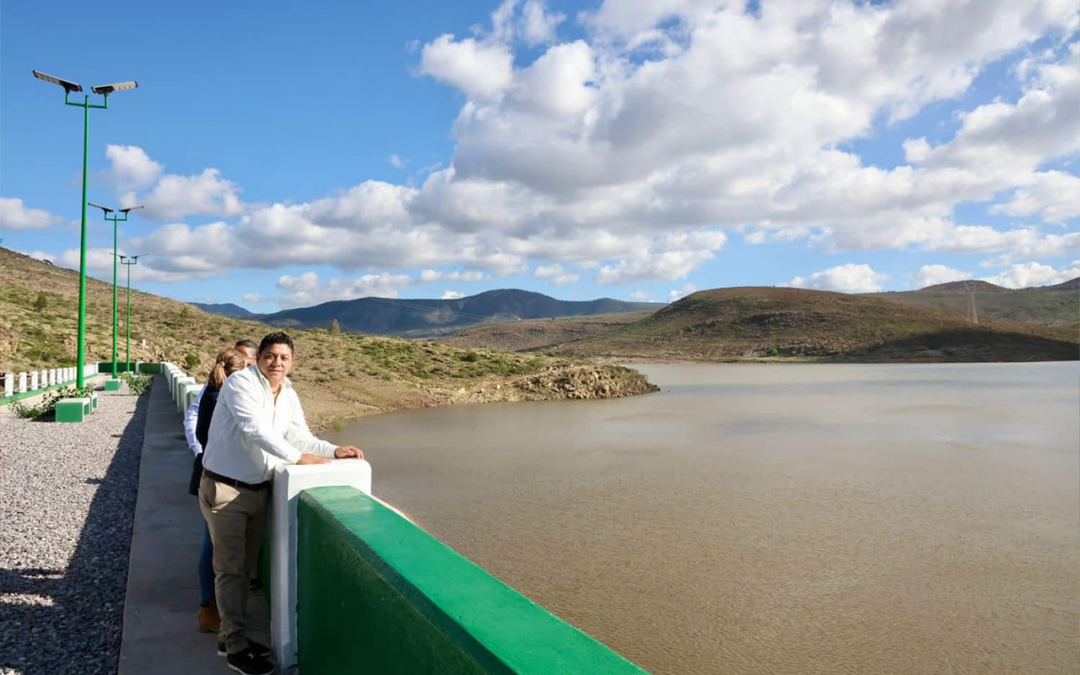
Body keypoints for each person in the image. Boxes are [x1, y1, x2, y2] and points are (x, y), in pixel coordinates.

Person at [200, 331, 363, 675]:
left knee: (245, 570)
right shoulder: (241, 384)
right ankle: (235, 648)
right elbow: (255, 430)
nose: (277, 363)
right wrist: (298, 459)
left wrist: (333, 451)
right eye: (271, 356)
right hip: (226, 489)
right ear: (258, 357)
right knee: (230, 570)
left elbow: (299, 433)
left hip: (259, 489)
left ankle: (231, 637)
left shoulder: (287, 393)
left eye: (284, 358)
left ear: (292, 362)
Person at [185, 340, 257, 634]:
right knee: (212, 545)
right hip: (219, 480)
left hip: (211, 475)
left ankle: (212, 607)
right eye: (251, 362)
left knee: (215, 544)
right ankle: (210, 609)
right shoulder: (223, 397)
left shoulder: (215, 392)